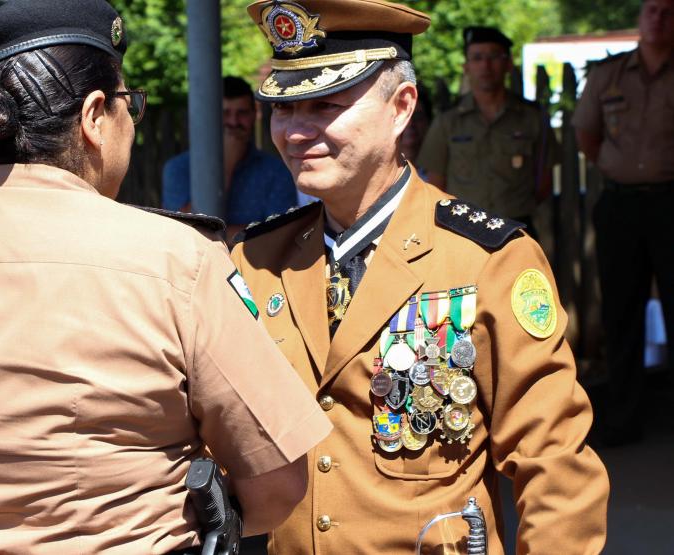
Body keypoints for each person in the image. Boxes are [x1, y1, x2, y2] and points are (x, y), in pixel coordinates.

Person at [0, 1, 332, 554]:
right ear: (93, 116)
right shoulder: (177, 259)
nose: (132, 122)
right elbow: (278, 480)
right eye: (131, 105)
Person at [231, 1, 609, 553]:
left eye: (325, 105)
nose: (294, 131)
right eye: (285, 109)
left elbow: (555, 466)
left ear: (401, 107)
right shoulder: (258, 259)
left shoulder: (487, 259)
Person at [572, 0, 674, 445]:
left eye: (669, 11)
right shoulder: (608, 74)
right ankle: (626, 416)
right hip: (621, 206)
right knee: (622, 310)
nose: (658, 18)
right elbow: (587, 136)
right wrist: (624, 170)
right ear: (640, 16)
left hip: (672, 203)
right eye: (652, 9)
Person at [417, 26, 558, 237]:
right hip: (463, 232)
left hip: (517, 230)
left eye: (494, 56)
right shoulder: (448, 121)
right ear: (466, 66)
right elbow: (436, 183)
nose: (485, 65)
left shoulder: (532, 118)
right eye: (477, 57)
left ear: (508, 64)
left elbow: (544, 183)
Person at [162, 76, 298, 239]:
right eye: (225, 113)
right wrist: (224, 166)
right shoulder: (178, 169)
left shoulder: (277, 171)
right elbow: (180, 234)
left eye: (242, 113)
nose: (233, 122)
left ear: (255, 115)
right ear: (210, 117)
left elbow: (278, 236)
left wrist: (213, 235)